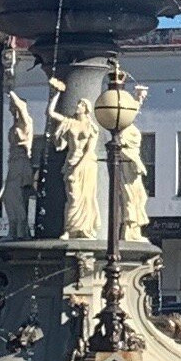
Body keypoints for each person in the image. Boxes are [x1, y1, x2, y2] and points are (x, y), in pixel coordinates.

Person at [48, 78, 100, 240]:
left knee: (87, 197)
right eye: (77, 104)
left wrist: (78, 167)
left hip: (87, 164)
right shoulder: (69, 123)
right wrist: (56, 94)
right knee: (73, 197)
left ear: (86, 109)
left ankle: (85, 230)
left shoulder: (92, 128)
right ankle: (69, 229)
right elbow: (50, 113)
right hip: (71, 160)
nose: (77, 106)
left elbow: (90, 150)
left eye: (80, 104)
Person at [119, 86, 150, 241]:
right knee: (130, 197)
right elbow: (120, 149)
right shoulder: (122, 130)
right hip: (129, 167)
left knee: (140, 197)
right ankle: (129, 231)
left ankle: (133, 231)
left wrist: (139, 98)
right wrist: (134, 161)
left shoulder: (128, 127)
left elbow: (134, 109)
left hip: (134, 168)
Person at [3, 91, 34, 239]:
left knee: (14, 197)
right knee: (9, 197)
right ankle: (15, 230)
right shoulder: (16, 124)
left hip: (21, 163)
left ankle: (19, 231)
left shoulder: (26, 122)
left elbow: (22, 106)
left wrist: (10, 91)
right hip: (14, 162)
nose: (9, 108)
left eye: (11, 105)